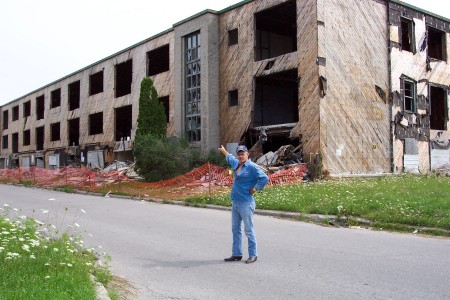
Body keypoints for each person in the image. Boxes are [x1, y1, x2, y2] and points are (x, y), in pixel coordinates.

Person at [218, 144, 269, 264]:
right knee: (235, 229)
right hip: (235, 202)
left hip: (246, 203)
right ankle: (237, 254)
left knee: (248, 230)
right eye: (239, 154)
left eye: (243, 154)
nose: (241, 156)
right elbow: (230, 157)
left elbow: (264, 178)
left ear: (247, 155)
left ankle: (253, 255)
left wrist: (255, 188)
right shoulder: (236, 164)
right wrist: (224, 151)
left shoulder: (251, 167)